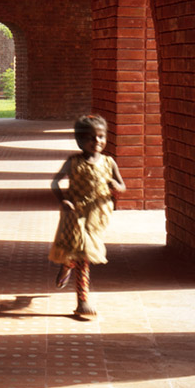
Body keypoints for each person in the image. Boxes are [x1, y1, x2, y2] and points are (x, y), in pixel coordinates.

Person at [48, 114, 125, 318]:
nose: (97, 141)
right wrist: (62, 200)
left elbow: (122, 186)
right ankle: (83, 301)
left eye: (100, 136)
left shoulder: (109, 162)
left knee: (79, 253)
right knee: (83, 255)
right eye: (91, 138)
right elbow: (55, 182)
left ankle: (66, 266)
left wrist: (116, 187)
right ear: (80, 140)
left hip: (97, 215)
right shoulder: (73, 162)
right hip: (75, 213)